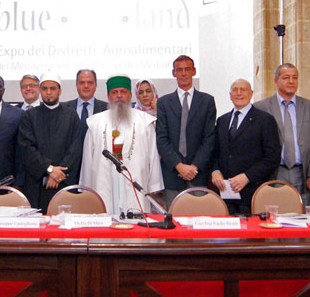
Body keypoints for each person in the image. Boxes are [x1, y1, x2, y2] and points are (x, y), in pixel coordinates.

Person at [80, 74, 163, 216]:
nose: (119, 96)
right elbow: (88, 158)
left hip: (135, 179)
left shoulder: (145, 121)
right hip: (104, 179)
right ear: (108, 96)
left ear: (130, 95)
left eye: (123, 92)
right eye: (114, 92)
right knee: (105, 218)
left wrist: (154, 184)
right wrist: (87, 187)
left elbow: (153, 156)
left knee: (136, 221)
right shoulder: (95, 122)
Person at [254, 63, 310, 206]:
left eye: (294, 78)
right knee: (275, 210)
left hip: (301, 171)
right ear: (276, 80)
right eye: (286, 77)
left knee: (301, 210)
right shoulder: (261, 107)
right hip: (275, 171)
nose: (291, 81)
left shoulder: (309, 107)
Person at [211, 79, 281, 215]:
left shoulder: (265, 120)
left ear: (251, 93)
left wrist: (247, 177)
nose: (239, 93)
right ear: (230, 95)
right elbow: (215, 152)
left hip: (252, 193)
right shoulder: (222, 121)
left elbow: (272, 158)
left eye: (243, 89)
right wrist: (215, 170)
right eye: (235, 90)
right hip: (224, 194)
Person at [156, 55, 216, 208]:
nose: (183, 73)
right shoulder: (163, 102)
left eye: (187, 69)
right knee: (173, 218)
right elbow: (161, 139)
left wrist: (194, 166)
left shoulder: (207, 101)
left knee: (198, 217)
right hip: (172, 174)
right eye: (179, 70)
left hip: (198, 174)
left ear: (194, 71)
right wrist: (179, 166)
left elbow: (209, 138)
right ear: (173, 73)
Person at [18, 73, 84, 212]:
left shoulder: (71, 115)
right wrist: (49, 169)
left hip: (64, 183)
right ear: (40, 90)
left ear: (59, 91)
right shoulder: (29, 116)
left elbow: (75, 149)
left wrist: (57, 175)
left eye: (52, 88)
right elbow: (27, 148)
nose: (48, 92)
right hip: (37, 184)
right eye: (45, 88)